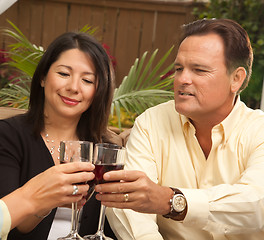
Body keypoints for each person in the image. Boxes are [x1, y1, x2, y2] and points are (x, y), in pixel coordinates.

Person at [94, 18, 264, 239]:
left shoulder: (259, 130)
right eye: (179, 68)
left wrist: (172, 201)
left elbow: (256, 204)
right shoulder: (151, 123)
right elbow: (129, 209)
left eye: (199, 70)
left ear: (236, 79)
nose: (182, 79)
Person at [0, 32, 119, 239]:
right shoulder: (8, 136)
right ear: (43, 78)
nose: (73, 87)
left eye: (87, 80)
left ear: (98, 91)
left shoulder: (103, 149)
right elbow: (1, 222)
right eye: (64, 74)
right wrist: (47, 201)